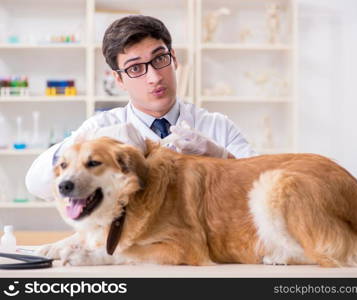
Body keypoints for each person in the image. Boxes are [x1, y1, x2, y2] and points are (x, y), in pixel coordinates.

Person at [25, 15, 256, 201]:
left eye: (159, 59)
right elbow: (36, 184)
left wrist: (222, 158)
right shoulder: (102, 128)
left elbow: (262, 186)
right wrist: (80, 145)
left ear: (173, 58)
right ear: (119, 79)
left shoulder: (216, 126)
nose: (154, 77)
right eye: (135, 68)